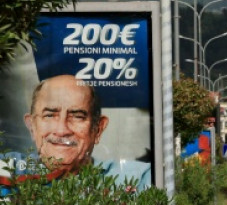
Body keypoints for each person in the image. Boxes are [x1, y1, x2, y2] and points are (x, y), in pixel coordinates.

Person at [1, 74, 150, 195]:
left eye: (77, 116)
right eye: (50, 115)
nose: (62, 130)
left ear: (98, 129)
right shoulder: (8, 170)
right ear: (32, 126)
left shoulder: (138, 178)